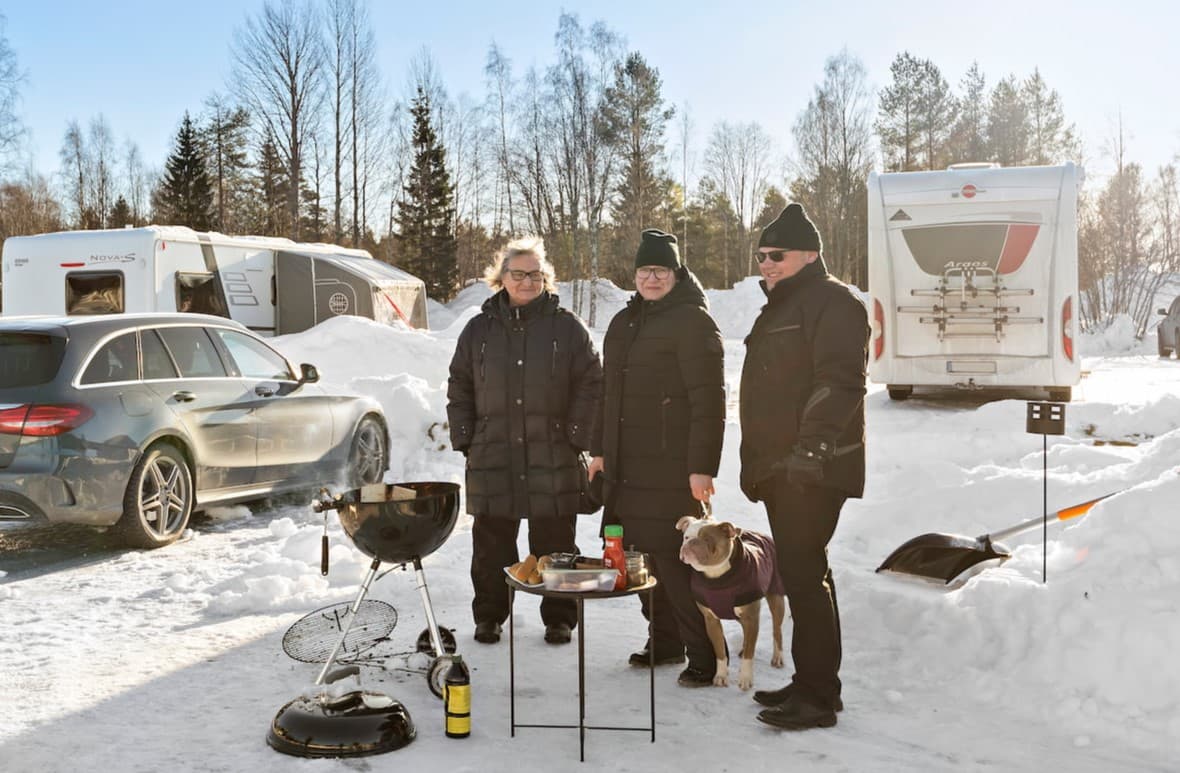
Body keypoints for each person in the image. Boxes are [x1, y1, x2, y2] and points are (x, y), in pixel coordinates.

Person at [739, 203, 868, 730]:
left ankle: (817, 697)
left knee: (805, 575)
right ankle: (815, 683)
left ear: (810, 254)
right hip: (781, 469)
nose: (766, 264)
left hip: (811, 470)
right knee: (804, 574)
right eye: (762, 256)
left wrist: (811, 451)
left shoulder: (834, 303)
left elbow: (839, 382)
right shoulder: (783, 304)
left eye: (777, 255)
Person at [447, 236, 603, 646]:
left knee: (554, 541)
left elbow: (592, 382)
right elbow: (459, 384)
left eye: (535, 274)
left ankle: (559, 617)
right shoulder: (478, 329)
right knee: (491, 544)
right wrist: (466, 438)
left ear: (545, 278)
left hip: (552, 451)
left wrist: (576, 436)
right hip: (493, 451)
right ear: (502, 278)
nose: (527, 282)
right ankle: (490, 616)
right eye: (519, 274)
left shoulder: (566, 327)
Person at [589, 228, 725, 687]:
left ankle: (703, 653)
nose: (651, 278)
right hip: (627, 467)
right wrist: (599, 451)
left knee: (677, 563)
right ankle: (662, 640)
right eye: (645, 270)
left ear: (675, 272)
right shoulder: (625, 323)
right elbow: (606, 394)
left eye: (660, 270)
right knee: (635, 559)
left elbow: (710, 399)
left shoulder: (693, 321)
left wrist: (702, 466)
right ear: (634, 274)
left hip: (671, 467)